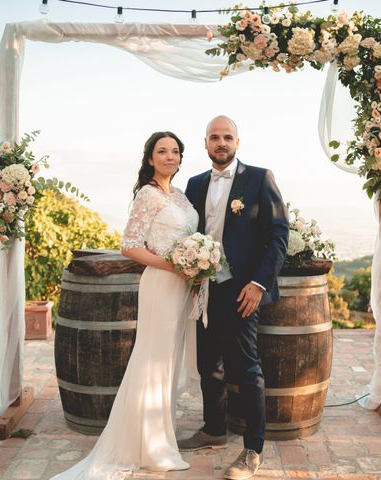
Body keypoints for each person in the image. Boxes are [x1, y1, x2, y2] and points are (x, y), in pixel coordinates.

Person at [51, 131, 199, 479]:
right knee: (151, 362)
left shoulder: (178, 195)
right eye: (162, 151)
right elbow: (130, 246)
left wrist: (196, 263)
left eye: (175, 151)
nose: (169, 157)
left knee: (168, 362)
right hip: (161, 285)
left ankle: (160, 436)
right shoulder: (147, 195)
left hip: (183, 288)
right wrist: (174, 266)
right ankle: (145, 445)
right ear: (150, 158)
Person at [180, 115, 289, 480]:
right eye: (215, 137)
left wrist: (259, 284)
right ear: (206, 143)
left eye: (227, 137)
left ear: (238, 143)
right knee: (207, 364)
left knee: (247, 368)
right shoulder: (194, 184)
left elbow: (278, 235)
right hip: (205, 288)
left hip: (243, 290)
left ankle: (252, 449)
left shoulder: (259, 178)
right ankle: (213, 429)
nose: (221, 143)